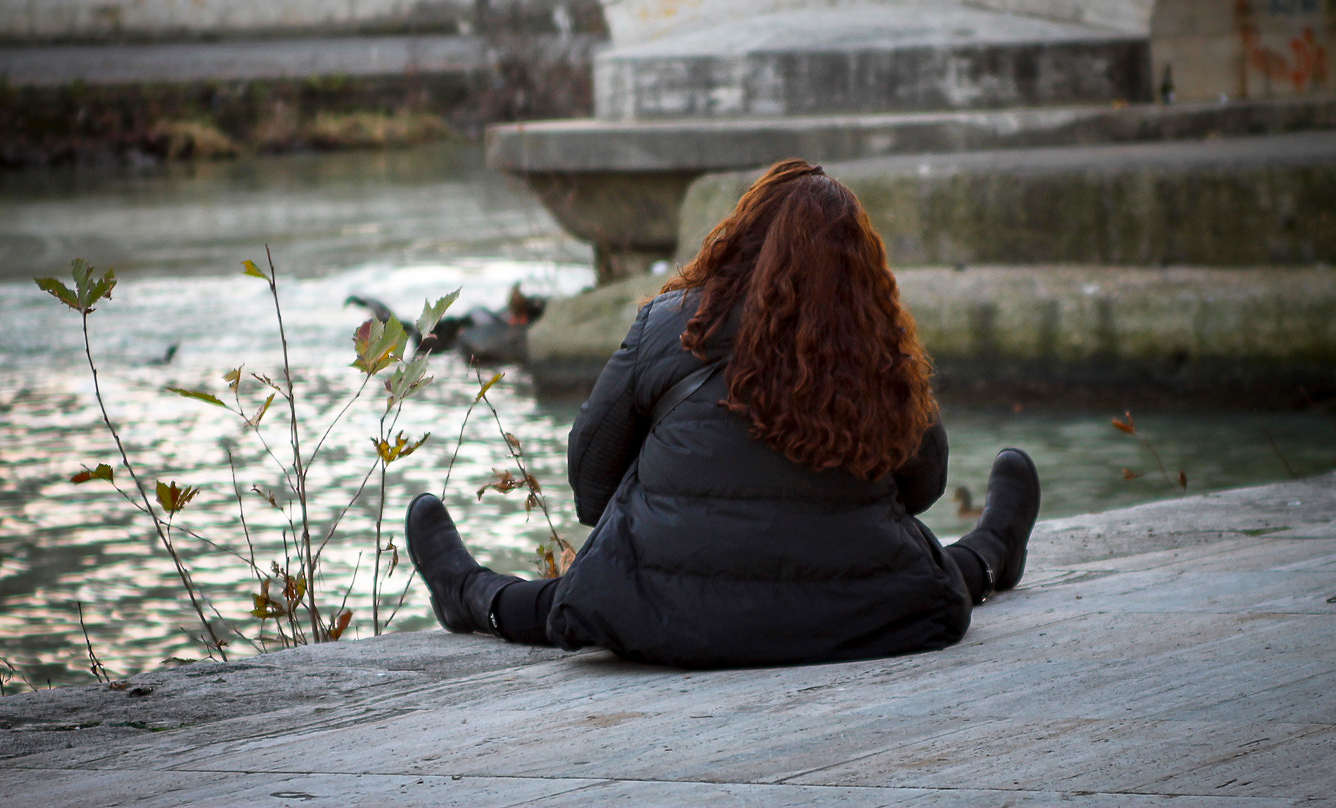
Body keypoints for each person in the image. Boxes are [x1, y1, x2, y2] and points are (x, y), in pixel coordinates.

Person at [406, 159, 1040, 669]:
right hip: (861, 615)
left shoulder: (669, 323)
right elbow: (924, 487)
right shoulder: (875, 340)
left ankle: (466, 592)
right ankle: (994, 551)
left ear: (741, 234)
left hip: (671, 616)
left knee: (565, 604)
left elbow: (591, 488)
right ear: (862, 268)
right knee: (931, 575)